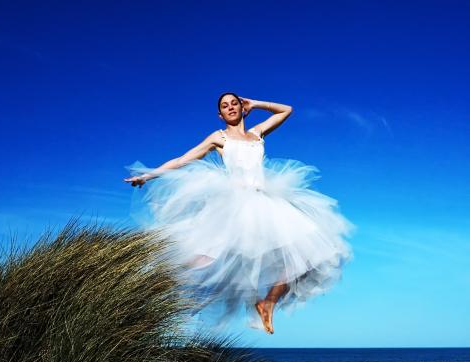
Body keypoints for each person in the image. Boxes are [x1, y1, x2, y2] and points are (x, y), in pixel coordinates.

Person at [123, 93, 355, 334]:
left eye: (234, 103)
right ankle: (160, 285)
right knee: (208, 260)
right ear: (220, 114)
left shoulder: (257, 133)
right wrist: (149, 175)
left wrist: (255, 103)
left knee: (307, 257)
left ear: (242, 108)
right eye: (225, 106)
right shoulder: (219, 137)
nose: (230, 108)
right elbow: (183, 159)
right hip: (235, 206)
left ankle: (268, 303)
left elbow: (286, 110)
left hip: (267, 204)